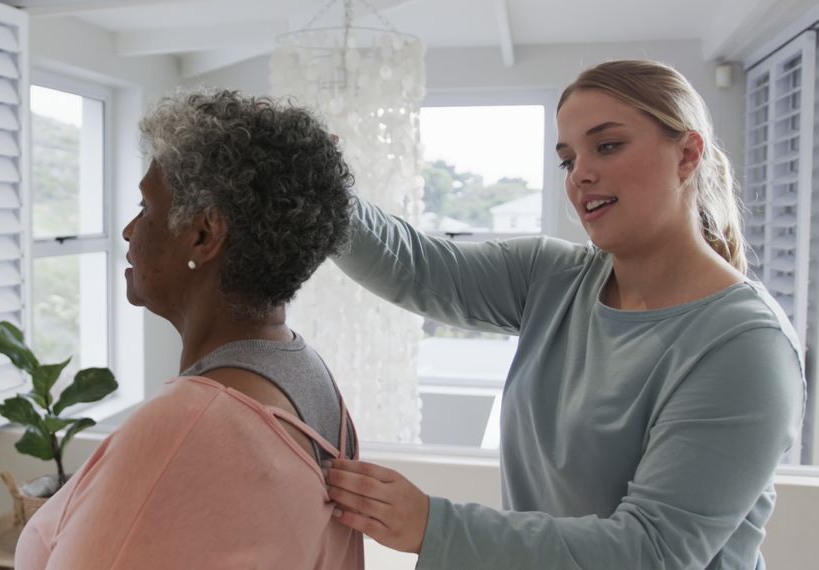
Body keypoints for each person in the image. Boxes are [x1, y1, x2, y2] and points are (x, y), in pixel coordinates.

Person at [323, 60, 806, 569]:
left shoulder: (745, 345)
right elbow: (416, 269)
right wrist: (323, 193)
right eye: (567, 159)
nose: (581, 174)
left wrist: (431, 525)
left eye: (608, 145)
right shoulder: (553, 277)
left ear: (687, 155)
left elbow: (652, 553)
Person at [14, 90, 364, 569]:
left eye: (146, 207)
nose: (129, 231)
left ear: (204, 233)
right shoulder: (311, 381)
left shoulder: (190, 422)